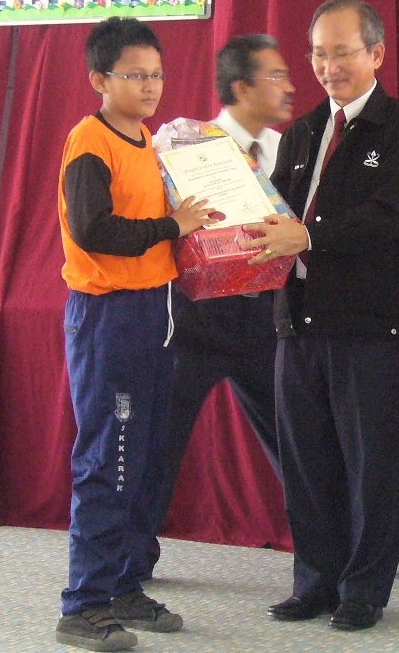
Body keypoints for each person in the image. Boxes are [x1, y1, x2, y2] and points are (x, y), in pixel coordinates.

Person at [240, 0, 399, 631]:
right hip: (297, 322)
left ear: (376, 53)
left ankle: (363, 590)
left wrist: (307, 236)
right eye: (318, 55)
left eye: (343, 52)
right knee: (306, 463)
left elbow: (391, 220)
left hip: (369, 325)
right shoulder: (301, 133)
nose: (329, 67)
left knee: (368, 466)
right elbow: (278, 214)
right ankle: (315, 582)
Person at [54, 17, 216, 652]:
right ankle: (83, 604)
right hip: (108, 316)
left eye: (157, 74)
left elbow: (155, 219)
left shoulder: (148, 139)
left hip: (155, 307)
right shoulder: (89, 142)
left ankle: (122, 586)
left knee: (143, 454)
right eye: (135, 75)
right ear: (100, 80)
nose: (150, 86)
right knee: (109, 458)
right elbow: (95, 231)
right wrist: (172, 227)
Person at [143, 33, 295, 575]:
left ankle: (337, 543)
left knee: (293, 434)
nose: (289, 87)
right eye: (275, 76)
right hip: (196, 315)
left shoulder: (288, 149)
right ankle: (132, 560)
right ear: (241, 88)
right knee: (161, 439)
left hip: (263, 314)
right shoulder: (185, 148)